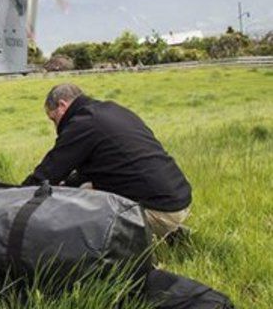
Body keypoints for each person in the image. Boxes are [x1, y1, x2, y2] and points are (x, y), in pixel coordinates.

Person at [23, 83, 192, 240]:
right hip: (179, 199)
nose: (56, 127)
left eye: (54, 119)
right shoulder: (112, 111)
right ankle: (169, 231)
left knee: (74, 208)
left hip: (160, 209)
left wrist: (15, 196)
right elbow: (96, 171)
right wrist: (67, 183)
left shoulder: (81, 123)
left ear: (62, 105)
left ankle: (149, 235)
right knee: (85, 189)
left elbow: (48, 173)